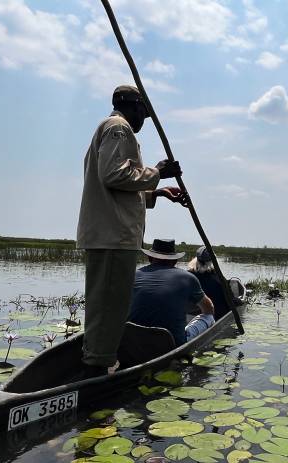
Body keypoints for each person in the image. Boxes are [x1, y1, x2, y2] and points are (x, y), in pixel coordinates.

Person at [76, 85, 187, 377]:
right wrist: (156, 172)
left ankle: (100, 358)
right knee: (109, 308)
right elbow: (114, 175)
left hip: (114, 233)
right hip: (113, 234)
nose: (144, 120)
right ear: (134, 107)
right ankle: (98, 368)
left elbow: (122, 188)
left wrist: (158, 192)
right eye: (143, 113)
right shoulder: (119, 127)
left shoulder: (116, 129)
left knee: (111, 305)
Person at [129, 239, 215, 346]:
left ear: (150, 258)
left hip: (133, 339)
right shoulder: (187, 278)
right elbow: (209, 309)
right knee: (209, 317)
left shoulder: (133, 275)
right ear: (175, 261)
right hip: (172, 343)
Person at [187, 246, 230, 320]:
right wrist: (240, 301)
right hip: (214, 317)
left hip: (189, 316)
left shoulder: (187, 276)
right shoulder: (219, 279)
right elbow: (230, 300)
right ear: (213, 261)